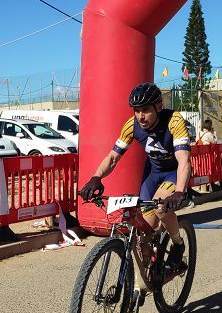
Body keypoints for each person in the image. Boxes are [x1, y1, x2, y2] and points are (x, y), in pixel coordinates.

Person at [78, 82, 191, 272]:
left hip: (174, 172)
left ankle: (178, 244)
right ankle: (149, 276)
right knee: (144, 233)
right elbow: (113, 157)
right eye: (136, 110)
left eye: (145, 110)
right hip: (153, 173)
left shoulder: (174, 121)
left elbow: (184, 160)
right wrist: (96, 177)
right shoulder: (132, 125)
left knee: (161, 207)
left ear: (158, 106)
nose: (140, 116)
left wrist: (179, 191)